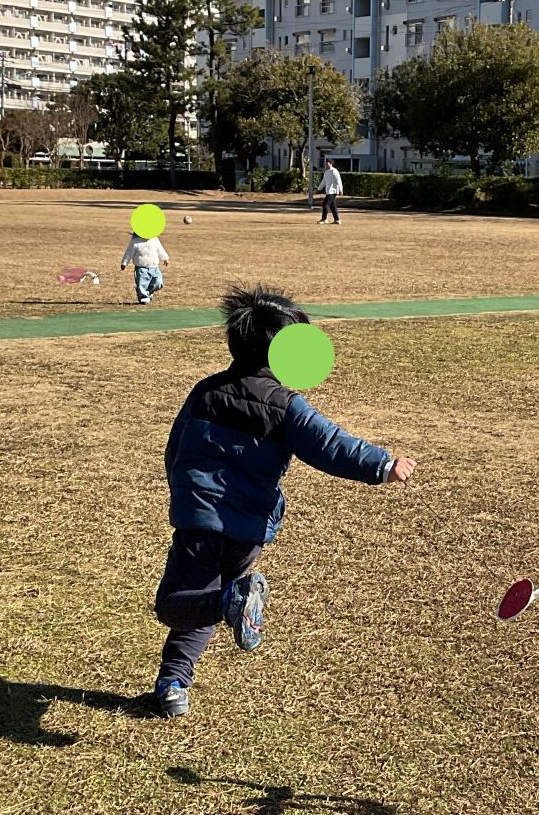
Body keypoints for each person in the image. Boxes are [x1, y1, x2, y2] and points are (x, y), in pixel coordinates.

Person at [152, 284, 417, 718]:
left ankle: (211, 626)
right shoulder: (287, 405)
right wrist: (381, 465)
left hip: (200, 522)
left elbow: (175, 448)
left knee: (177, 604)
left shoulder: (206, 391)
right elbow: (330, 444)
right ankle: (174, 683)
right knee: (211, 597)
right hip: (247, 531)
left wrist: (183, 495)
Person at [121, 231, 169, 305]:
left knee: (158, 283)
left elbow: (160, 249)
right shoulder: (135, 241)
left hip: (154, 267)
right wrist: (124, 262)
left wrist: (165, 259)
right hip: (141, 268)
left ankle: (149, 292)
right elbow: (129, 252)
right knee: (142, 284)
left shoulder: (154, 240)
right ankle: (144, 298)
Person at [316, 158, 343, 225]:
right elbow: (323, 182)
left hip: (333, 191)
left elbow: (338, 180)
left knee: (325, 204)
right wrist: (318, 188)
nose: (325, 164)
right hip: (328, 191)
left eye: (327, 163)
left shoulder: (335, 171)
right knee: (332, 206)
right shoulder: (326, 172)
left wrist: (340, 189)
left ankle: (324, 219)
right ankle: (337, 220)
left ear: (330, 163)